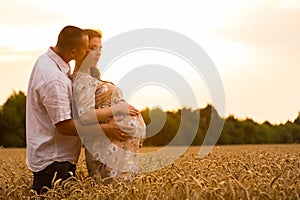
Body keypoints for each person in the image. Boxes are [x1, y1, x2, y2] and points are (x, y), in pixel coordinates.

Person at [26, 25, 131, 194]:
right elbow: (64, 126)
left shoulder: (47, 61)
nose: (87, 54)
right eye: (85, 50)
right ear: (73, 52)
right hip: (54, 161)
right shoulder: (54, 79)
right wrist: (106, 129)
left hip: (56, 158)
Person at [72, 29, 146, 183]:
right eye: (93, 48)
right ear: (81, 49)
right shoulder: (82, 79)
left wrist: (136, 132)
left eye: (100, 48)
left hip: (119, 151)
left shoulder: (90, 77)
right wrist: (118, 109)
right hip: (108, 153)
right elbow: (86, 115)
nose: (98, 53)